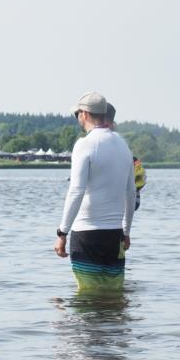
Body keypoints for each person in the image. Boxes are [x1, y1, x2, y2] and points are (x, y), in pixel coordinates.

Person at [54, 92, 135, 293]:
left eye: (78, 114)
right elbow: (131, 192)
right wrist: (126, 231)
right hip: (115, 235)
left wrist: (62, 232)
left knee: (88, 299)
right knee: (113, 296)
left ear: (85, 114)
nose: (78, 118)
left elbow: (76, 190)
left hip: (87, 234)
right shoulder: (123, 145)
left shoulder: (85, 144)